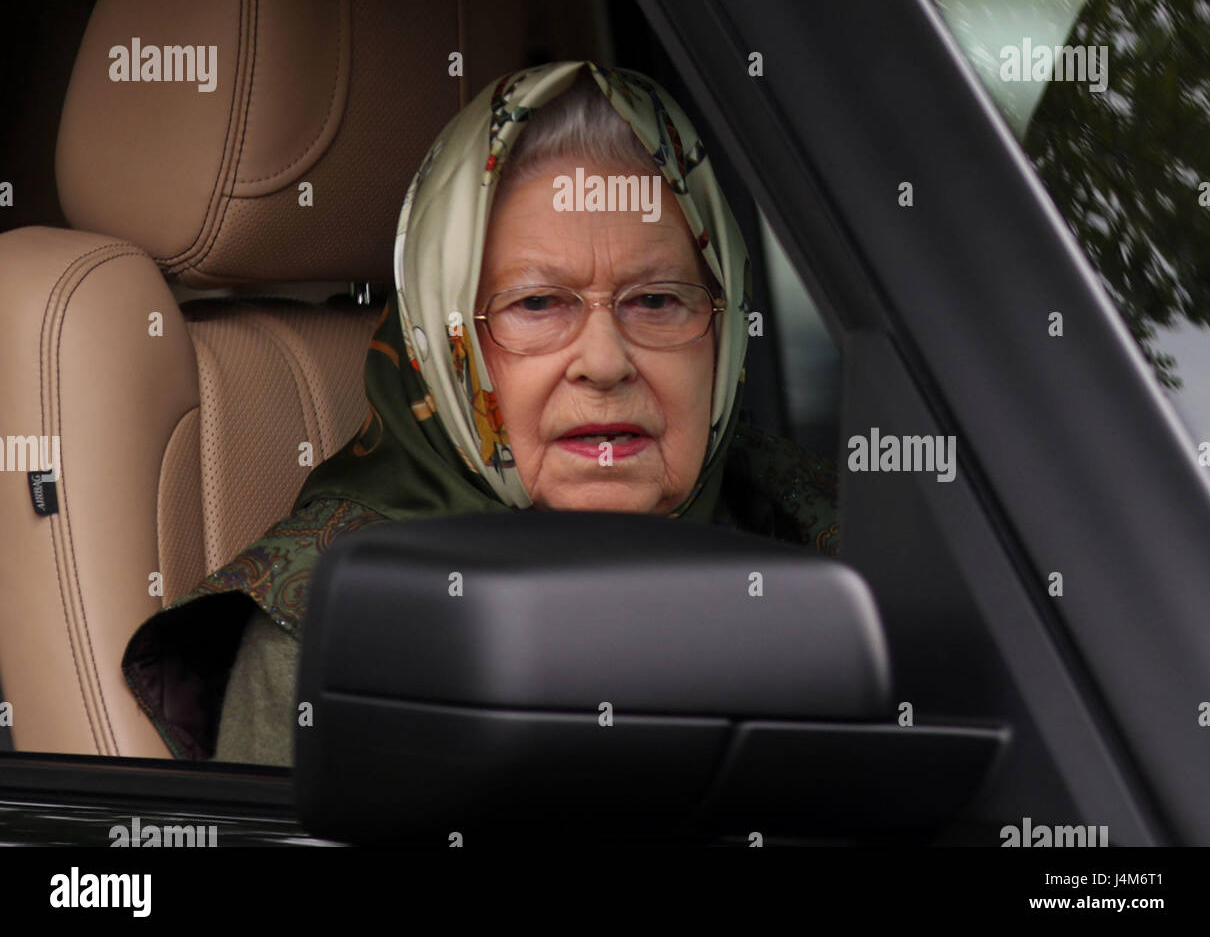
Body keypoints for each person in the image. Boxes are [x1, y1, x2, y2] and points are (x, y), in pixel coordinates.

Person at [122, 61, 839, 767]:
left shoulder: (830, 543)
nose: (606, 360)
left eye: (657, 301)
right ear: (444, 344)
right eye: (536, 304)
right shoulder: (337, 629)